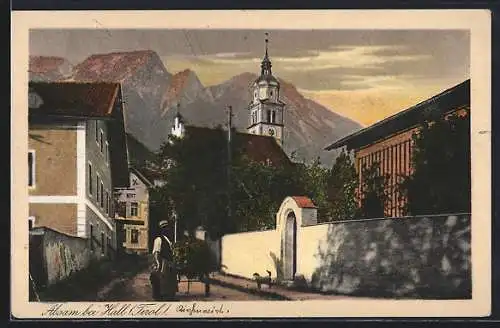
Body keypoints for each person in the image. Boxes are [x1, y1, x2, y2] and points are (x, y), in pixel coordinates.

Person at [150, 220, 178, 301]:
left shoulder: (168, 240)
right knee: (163, 279)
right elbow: (156, 252)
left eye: (167, 228)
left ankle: (169, 296)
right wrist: (158, 263)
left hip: (168, 262)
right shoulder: (159, 239)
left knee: (169, 280)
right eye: (164, 228)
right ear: (161, 230)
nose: (166, 230)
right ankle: (161, 297)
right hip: (163, 262)